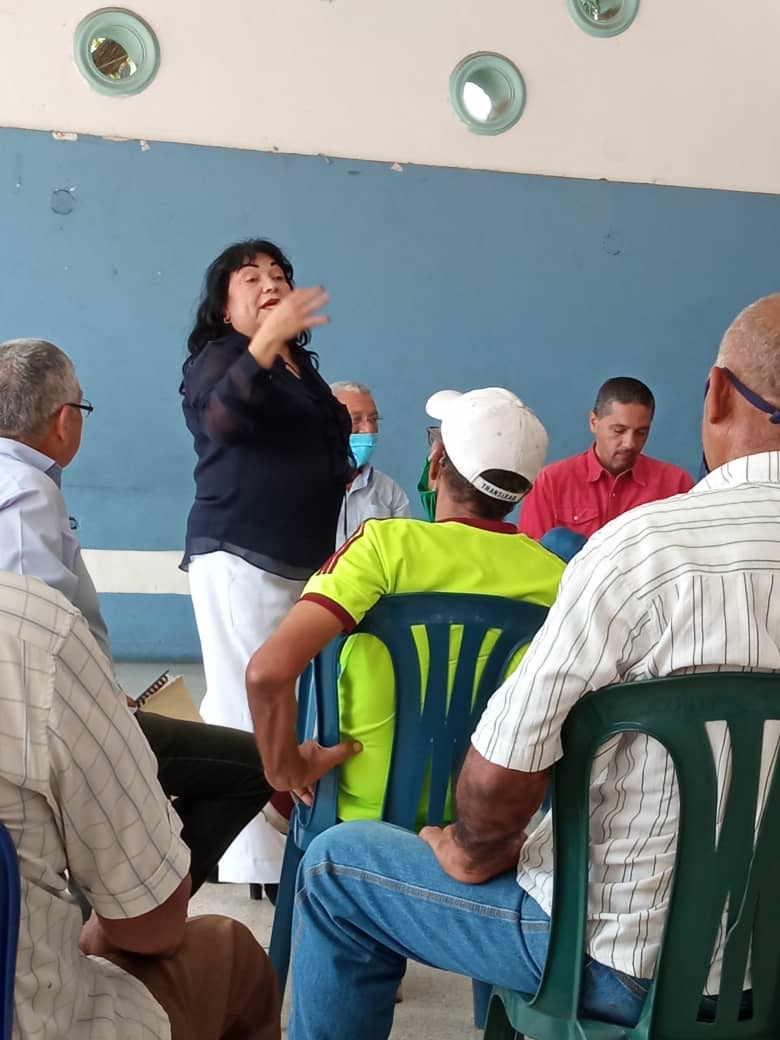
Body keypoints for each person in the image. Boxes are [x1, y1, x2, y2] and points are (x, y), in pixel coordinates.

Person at [272, 293, 780, 1040]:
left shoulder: (639, 553)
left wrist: (466, 848)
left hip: (615, 956)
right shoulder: (551, 569)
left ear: (717, 395)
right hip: (765, 963)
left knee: (336, 869)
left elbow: (501, 776)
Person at [0, 338, 273, 896]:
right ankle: (139, 915)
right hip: (49, 725)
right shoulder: (28, 491)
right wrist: (101, 700)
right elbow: (36, 629)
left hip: (43, 714)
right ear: (64, 420)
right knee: (250, 767)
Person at [245, 386, 564, 826]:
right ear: (522, 490)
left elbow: (267, 673)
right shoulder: (558, 578)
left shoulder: (382, 546)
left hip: (359, 818)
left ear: (436, 463)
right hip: (480, 829)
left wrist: (287, 771)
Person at [0, 570, 280, 1040]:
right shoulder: (30, 629)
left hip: (98, 718)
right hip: (45, 1023)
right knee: (231, 949)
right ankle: (126, 890)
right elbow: (152, 931)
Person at [180, 239, 352, 890]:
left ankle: (282, 847)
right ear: (225, 307)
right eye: (250, 277)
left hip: (300, 559)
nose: (270, 282)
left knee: (286, 705)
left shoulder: (298, 368)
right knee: (244, 704)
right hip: (240, 553)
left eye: (278, 274)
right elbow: (223, 421)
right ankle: (249, 864)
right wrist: (265, 342)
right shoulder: (218, 359)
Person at [519, 376, 693, 540]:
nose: (630, 443)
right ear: (594, 422)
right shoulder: (550, 483)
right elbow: (531, 555)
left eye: (641, 432)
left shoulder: (677, 485)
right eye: (619, 430)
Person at [330, 381, 410, 546]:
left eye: (373, 419)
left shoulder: (388, 490)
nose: (369, 429)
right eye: (355, 419)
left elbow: (403, 550)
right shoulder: (301, 486)